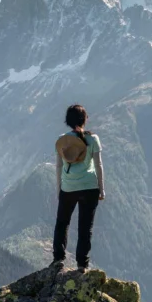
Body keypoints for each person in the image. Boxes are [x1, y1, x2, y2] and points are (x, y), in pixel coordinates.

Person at [51, 104, 105, 273]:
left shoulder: (62, 140)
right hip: (90, 187)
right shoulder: (93, 139)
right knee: (85, 227)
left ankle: (59, 260)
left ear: (68, 120)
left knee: (62, 223)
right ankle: (82, 265)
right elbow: (98, 165)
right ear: (84, 119)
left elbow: (59, 166)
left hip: (69, 187)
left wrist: (59, 189)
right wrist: (101, 189)